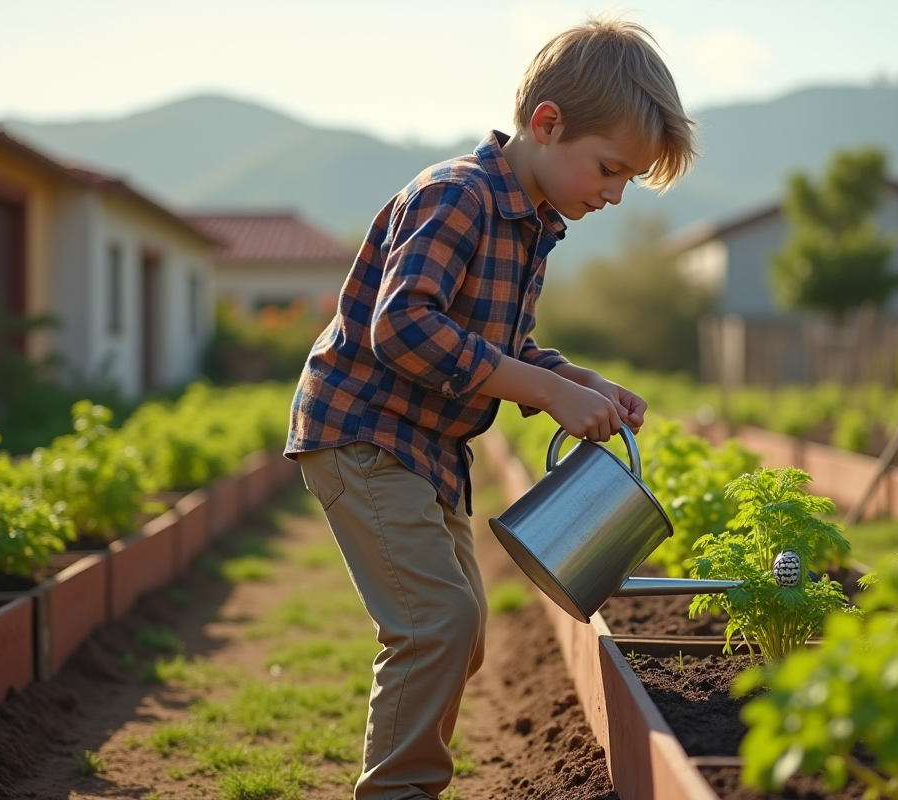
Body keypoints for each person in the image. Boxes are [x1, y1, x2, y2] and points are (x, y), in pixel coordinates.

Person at [286, 15, 697, 800]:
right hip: (364, 433)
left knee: (460, 630)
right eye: (608, 170)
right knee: (435, 624)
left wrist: (575, 378)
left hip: (427, 450)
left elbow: (501, 342)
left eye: (626, 181)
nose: (614, 195)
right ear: (547, 124)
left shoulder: (533, 225)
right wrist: (542, 391)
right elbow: (402, 327)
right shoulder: (459, 197)